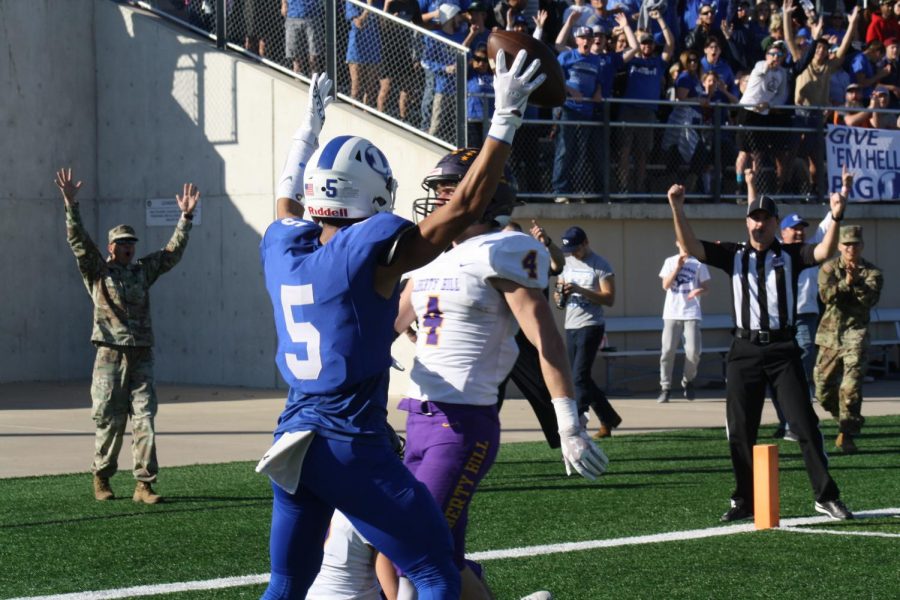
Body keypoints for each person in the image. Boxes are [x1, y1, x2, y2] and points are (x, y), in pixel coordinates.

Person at [256, 55, 548, 598]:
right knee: (435, 571)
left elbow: (286, 200)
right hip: (346, 439)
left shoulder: (282, 246)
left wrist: (306, 134)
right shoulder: (371, 255)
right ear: (372, 193)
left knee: (287, 581)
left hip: (291, 436)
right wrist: (504, 119)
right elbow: (462, 208)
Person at [396, 149, 607, 598]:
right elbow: (388, 324)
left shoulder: (505, 249)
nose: (437, 201)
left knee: (413, 546)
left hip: (461, 425)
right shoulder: (431, 254)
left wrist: (567, 420)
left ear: (483, 196)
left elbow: (545, 338)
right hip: (416, 417)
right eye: (436, 192)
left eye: (447, 190)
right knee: (441, 556)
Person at [666, 182, 854, 522]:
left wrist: (837, 216)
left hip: (783, 349)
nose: (759, 225)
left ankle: (825, 495)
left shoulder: (791, 255)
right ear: (747, 222)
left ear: (775, 224)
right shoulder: (734, 255)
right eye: (754, 219)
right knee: (740, 429)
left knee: (804, 425)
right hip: (744, 349)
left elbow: (825, 251)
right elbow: (690, 246)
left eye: (765, 220)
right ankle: (744, 499)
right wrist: (677, 207)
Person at [54, 168, 199, 505]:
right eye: (122, 244)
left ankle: (144, 484)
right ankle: (101, 476)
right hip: (109, 354)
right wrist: (70, 205)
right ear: (111, 247)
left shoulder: (141, 272)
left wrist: (186, 217)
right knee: (110, 420)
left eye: (131, 244)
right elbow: (78, 241)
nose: (128, 249)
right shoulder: (97, 271)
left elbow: (170, 254)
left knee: (145, 418)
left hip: (141, 355)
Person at [814, 226, 883, 454]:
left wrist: (857, 282)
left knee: (850, 386)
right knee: (823, 390)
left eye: (855, 244)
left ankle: (847, 432)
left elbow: (869, 301)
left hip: (856, 334)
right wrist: (846, 282)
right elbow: (826, 296)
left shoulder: (873, 273)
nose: (850, 248)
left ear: (861, 245)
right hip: (830, 335)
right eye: (846, 244)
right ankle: (843, 417)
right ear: (839, 246)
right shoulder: (828, 268)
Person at [554, 226, 622, 438]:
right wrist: (561, 295)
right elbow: (558, 299)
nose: (573, 253)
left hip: (591, 325)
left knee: (579, 377)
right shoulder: (566, 264)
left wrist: (580, 289)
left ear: (586, 243)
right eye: (570, 250)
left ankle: (578, 420)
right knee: (580, 377)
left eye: (576, 249)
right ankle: (608, 418)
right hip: (571, 325)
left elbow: (609, 299)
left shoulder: (601, 265)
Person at [656, 241, 711, 404]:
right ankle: (665, 388)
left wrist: (700, 290)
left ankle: (688, 381)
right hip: (672, 313)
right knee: (667, 351)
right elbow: (665, 285)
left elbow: (706, 287)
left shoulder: (698, 263)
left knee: (693, 351)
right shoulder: (670, 261)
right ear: (677, 243)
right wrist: (678, 267)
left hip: (691, 312)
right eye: (682, 242)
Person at [282, 0, 324, 76]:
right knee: (294, 49)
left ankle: (313, 75)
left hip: (312, 15)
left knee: (314, 49)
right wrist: (284, 3)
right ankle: (297, 73)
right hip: (293, 15)